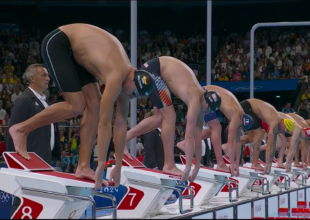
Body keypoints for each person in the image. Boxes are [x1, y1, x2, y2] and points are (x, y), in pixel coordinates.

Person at [8, 24, 156, 190]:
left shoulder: (128, 80)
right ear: (132, 80)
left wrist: (119, 166)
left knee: (95, 103)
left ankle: (83, 166)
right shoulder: (116, 76)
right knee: (76, 105)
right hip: (60, 43)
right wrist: (101, 165)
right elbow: (104, 124)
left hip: (78, 53)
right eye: (132, 93)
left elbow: (121, 125)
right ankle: (21, 129)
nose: (129, 97)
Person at [124, 57, 221, 182]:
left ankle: (124, 138)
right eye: (208, 110)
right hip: (153, 72)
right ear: (207, 104)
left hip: (157, 71)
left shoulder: (201, 99)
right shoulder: (196, 102)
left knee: (160, 118)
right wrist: (187, 167)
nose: (206, 113)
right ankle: (169, 164)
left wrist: (196, 167)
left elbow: (197, 136)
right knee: (170, 116)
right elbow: (189, 137)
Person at [177, 85, 253, 176]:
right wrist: (232, 165)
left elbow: (237, 141)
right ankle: (220, 164)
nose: (239, 128)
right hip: (206, 96)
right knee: (217, 128)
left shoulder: (240, 114)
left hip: (206, 93)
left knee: (213, 131)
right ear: (241, 120)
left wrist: (237, 163)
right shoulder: (236, 117)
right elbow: (231, 141)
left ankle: (185, 143)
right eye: (240, 126)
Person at [7, 64, 60, 165]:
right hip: (30, 161)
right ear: (33, 79)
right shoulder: (23, 100)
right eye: (44, 75)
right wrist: (16, 162)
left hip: (45, 158)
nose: (48, 79)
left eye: (48, 75)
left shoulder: (45, 101)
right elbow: (13, 133)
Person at [239, 98, 295, 174]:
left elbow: (272, 145)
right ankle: (255, 163)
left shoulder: (277, 121)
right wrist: (268, 165)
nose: (282, 131)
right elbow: (270, 145)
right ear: (283, 124)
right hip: (247, 106)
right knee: (259, 134)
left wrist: (269, 164)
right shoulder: (275, 122)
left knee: (251, 138)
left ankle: (227, 147)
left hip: (250, 108)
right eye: (284, 129)